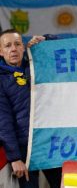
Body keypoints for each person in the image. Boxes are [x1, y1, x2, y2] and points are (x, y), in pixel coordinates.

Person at [0, 30, 61, 188]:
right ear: (1, 51)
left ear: (23, 47)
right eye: (7, 46)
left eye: (17, 44)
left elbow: (60, 50)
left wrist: (45, 39)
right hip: (23, 151)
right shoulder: (1, 80)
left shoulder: (37, 67)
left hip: (49, 144)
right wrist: (14, 158)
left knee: (63, 184)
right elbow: (3, 122)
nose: (13, 49)